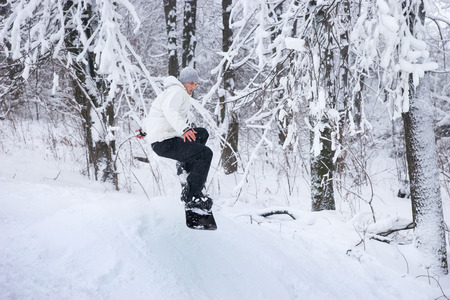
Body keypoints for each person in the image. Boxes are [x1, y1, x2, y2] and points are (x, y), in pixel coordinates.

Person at [136, 67, 213, 211]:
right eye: (191, 84)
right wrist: (184, 129)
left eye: (196, 85)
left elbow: (155, 114)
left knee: (201, 134)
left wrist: (143, 130)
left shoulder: (170, 92)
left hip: (164, 139)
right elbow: (170, 111)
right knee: (205, 154)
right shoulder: (177, 92)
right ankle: (192, 196)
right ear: (184, 82)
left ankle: (186, 169)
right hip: (165, 142)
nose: (193, 88)